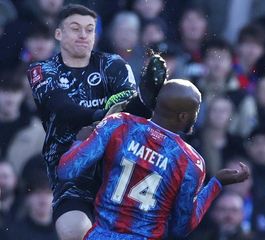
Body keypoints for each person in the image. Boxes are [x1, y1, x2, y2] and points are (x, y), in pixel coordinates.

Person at [26, 4, 166, 240]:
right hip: (71, 173)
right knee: (73, 232)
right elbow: (62, 109)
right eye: (75, 28)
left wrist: (149, 97)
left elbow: (134, 114)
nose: (83, 35)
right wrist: (108, 111)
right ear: (58, 34)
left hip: (119, 170)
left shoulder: (113, 65)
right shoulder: (42, 69)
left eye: (89, 30)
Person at [57, 79, 250, 239]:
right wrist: (216, 183)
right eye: (196, 109)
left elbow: (68, 170)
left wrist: (78, 142)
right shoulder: (191, 161)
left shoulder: (118, 124)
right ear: (183, 116)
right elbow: (181, 227)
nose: (197, 114)